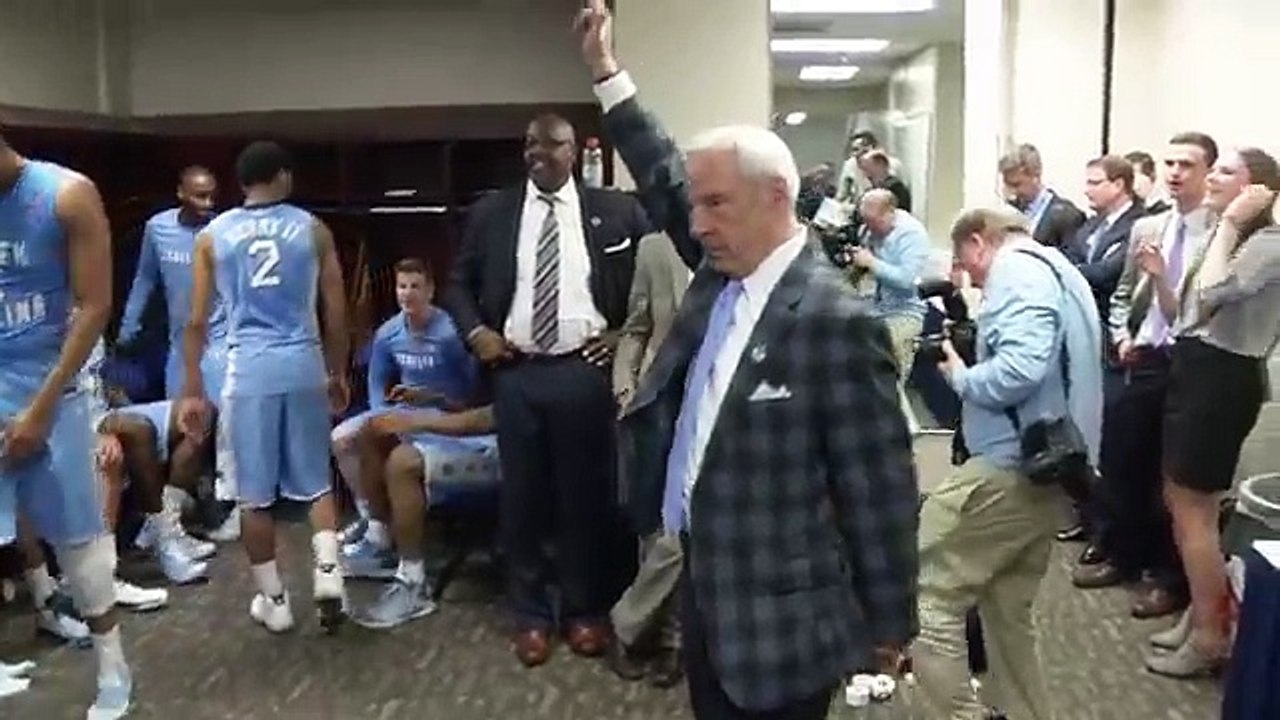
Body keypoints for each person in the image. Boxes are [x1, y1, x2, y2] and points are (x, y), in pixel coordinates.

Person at [578, 4, 920, 719]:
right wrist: (609, 77)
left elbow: (878, 485)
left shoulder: (834, 321)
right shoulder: (721, 267)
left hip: (780, 621)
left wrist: (890, 624)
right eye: (696, 208)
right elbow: (666, 175)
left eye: (716, 205)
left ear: (775, 198)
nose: (695, 223)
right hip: (708, 588)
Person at [440, 110, 650, 666]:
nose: (537, 153)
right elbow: (456, 283)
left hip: (584, 372)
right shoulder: (493, 213)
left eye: (549, 145)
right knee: (523, 500)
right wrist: (476, 331)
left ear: (575, 151)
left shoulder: (617, 211)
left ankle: (584, 610)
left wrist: (624, 333)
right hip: (517, 373)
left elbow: (649, 287)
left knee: (586, 497)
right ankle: (531, 615)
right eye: (529, 144)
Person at [918, 206, 1102, 720]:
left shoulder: (1016, 271)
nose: (970, 276)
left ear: (979, 242)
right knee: (1006, 609)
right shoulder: (1058, 269)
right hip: (1049, 471)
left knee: (928, 592)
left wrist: (961, 376)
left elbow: (1020, 370)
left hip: (1009, 469)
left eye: (966, 263)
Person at [178, 140, 350, 634]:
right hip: (301, 363)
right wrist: (337, 372)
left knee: (254, 495)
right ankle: (328, 573)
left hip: (247, 369)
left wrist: (192, 387)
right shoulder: (312, 229)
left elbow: (194, 321)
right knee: (315, 480)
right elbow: (335, 311)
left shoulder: (212, 236)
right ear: (283, 176)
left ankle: (275, 601)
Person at [0, 128, 133, 718]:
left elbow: (95, 306)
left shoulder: (65, 194)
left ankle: (113, 669)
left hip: (51, 384)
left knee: (79, 542)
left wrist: (40, 408)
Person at [1146, 149, 1280, 678]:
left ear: (1259, 191)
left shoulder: (1268, 243)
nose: (1213, 178)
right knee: (1179, 499)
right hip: (1197, 365)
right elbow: (1185, 311)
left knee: (1195, 510)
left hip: (1224, 378)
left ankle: (1208, 637)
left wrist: (1228, 224)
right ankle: (1205, 610)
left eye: (1226, 171)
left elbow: (1216, 290)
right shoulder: (1224, 237)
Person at [1104, 132, 1218, 620]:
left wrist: (1161, 278)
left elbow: (1202, 312)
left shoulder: (1220, 236)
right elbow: (1122, 294)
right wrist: (1121, 335)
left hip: (1191, 365)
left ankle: (1170, 580)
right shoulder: (1147, 227)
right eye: (1169, 162)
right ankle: (1124, 556)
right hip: (1144, 356)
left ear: (1207, 173)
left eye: (1187, 165)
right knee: (1124, 459)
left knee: (1175, 480)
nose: (1174, 172)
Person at [335, 257, 479, 579]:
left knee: (388, 445)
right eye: (402, 286)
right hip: (402, 410)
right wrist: (381, 413)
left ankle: (391, 533)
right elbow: (376, 383)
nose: (408, 294)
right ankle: (374, 522)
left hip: (445, 412)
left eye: (415, 286)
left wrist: (436, 402)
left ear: (430, 290)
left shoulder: (449, 334)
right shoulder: (388, 333)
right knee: (343, 439)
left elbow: (471, 391)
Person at [607, 231, 692, 688]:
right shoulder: (656, 247)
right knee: (654, 525)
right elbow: (637, 326)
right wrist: (626, 387)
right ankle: (667, 639)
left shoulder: (754, 246)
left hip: (724, 403)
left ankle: (629, 625)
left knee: (684, 529)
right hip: (658, 401)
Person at [1060, 154, 1146, 571]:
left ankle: (1110, 536)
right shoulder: (1089, 226)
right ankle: (1088, 517)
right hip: (1083, 338)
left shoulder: (1140, 226)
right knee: (1082, 430)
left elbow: (1106, 274)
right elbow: (1070, 261)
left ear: (1120, 185)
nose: (1088, 189)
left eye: (1096, 182)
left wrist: (1075, 269)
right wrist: (1077, 269)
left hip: (1118, 346)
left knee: (1112, 442)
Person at [350, 404, 499, 629]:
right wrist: (433, 398)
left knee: (404, 462)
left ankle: (414, 583)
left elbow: (490, 417)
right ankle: (384, 541)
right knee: (371, 432)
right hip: (461, 435)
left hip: (497, 450)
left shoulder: (519, 371)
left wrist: (419, 422)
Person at [118, 166, 226, 399]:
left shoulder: (221, 231)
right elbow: (145, 279)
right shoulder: (158, 228)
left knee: (219, 419)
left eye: (212, 197)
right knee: (178, 420)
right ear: (181, 193)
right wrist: (129, 328)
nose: (208, 204)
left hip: (217, 342)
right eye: (200, 196)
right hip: (179, 343)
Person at [851, 189, 931, 434]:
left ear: (891, 213)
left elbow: (907, 280)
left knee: (884, 366)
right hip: (876, 310)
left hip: (906, 312)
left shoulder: (911, 234)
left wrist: (872, 263)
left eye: (874, 222)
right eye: (866, 222)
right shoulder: (869, 231)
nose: (870, 229)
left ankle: (905, 428)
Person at [999, 143, 1087, 249]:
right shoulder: (1007, 212)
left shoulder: (1067, 217)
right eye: (1007, 185)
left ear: (1036, 176)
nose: (1012, 192)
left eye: (1016, 185)